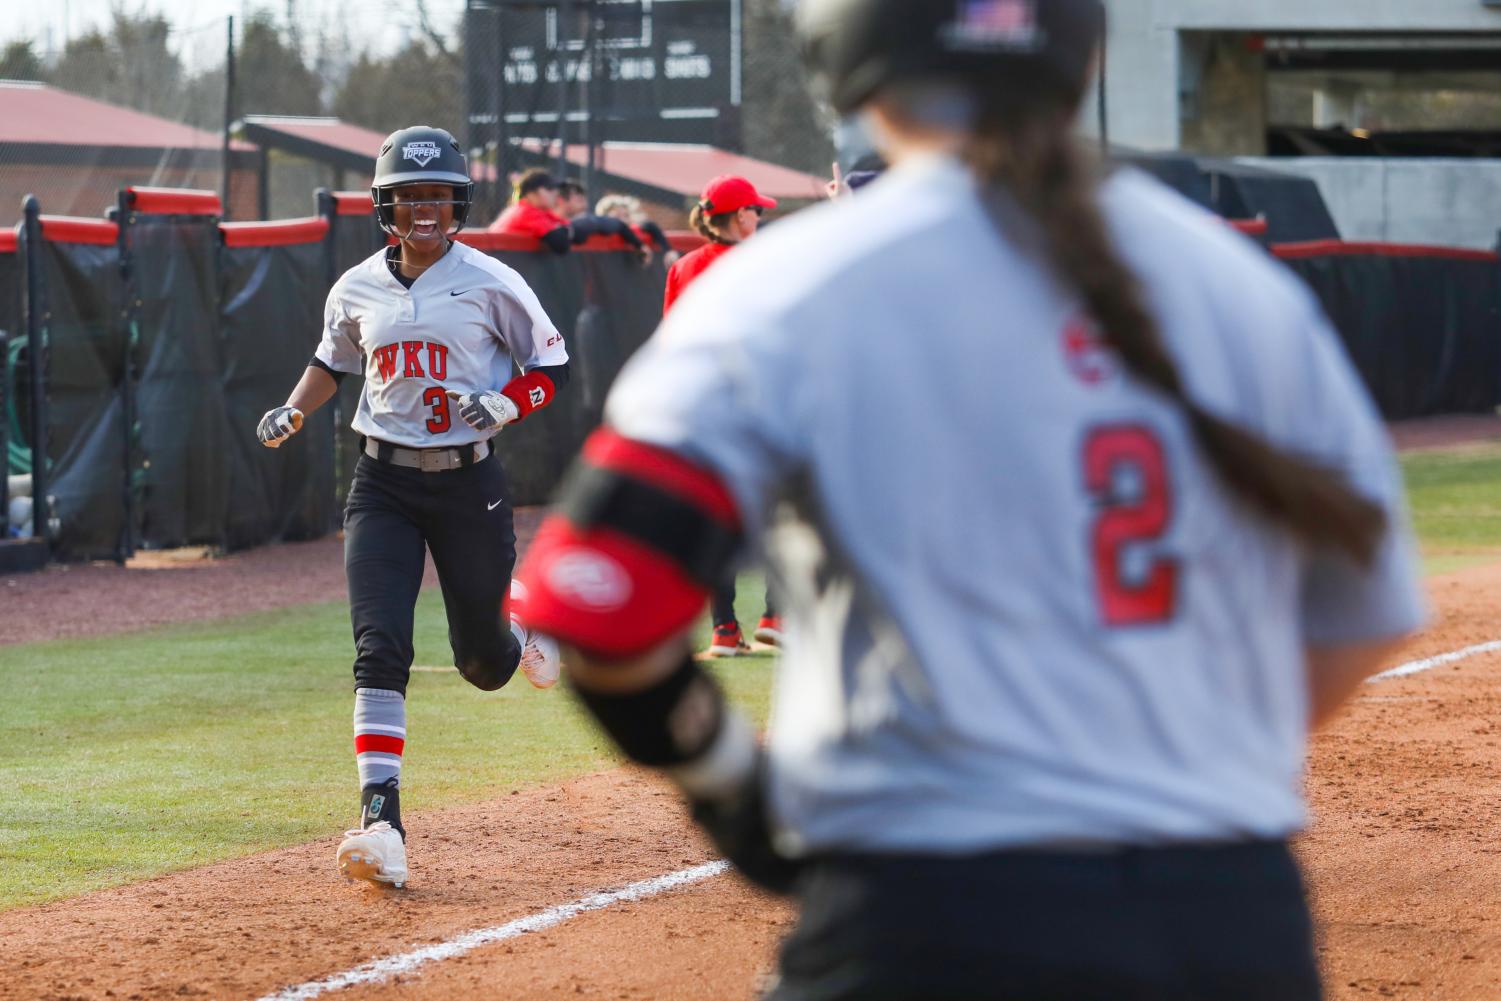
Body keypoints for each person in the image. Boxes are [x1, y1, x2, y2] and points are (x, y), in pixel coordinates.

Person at [514, 0, 1426, 997]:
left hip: (928, 912)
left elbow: (596, 597)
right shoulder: (1238, 287)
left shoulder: (787, 285)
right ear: (1078, 61)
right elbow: (1360, 612)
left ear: (845, 61)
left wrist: (734, 788)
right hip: (1223, 915)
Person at [255, 125, 568, 890]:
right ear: (384, 205)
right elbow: (331, 362)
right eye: (407, 196)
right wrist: (294, 410)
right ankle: (381, 820)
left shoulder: (491, 279)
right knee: (379, 646)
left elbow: (551, 362)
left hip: (468, 482)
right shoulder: (356, 284)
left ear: (456, 200)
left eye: (435, 195)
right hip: (382, 483)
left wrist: (505, 401)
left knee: (484, 665)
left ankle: (523, 619)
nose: (423, 210)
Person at [661, 173, 782, 656]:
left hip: (703, 406)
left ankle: (724, 629)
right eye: (755, 209)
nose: (759, 216)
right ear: (737, 216)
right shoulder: (761, 262)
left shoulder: (685, 266)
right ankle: (777, 615)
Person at [555, 178, 652, 264]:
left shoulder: (587, 221)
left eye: (581, 196)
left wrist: (639, 245)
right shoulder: (546, 220)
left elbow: (618, 224)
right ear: (561, 200)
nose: (582, 198)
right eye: (577, 197)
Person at [489, 168, 571, 253]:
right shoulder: (526, 212)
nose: (556, 193)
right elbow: (561, 244)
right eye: (549, 188)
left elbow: (565, 225)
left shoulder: (522, 208)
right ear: (531, 193)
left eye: (556, 189)